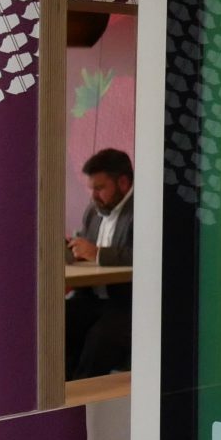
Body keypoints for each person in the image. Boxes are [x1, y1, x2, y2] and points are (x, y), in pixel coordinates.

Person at [65, 148, 135, 379]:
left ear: (123, 182)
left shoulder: (144, 210)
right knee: (57, 321)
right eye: (91, 189)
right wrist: (71, 250)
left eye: (100, 188)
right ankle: (58, 391)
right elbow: (86, 248)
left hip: (127, 303)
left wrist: (98, 254)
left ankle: (81, 398)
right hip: (91, 298)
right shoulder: (93, 212)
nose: (94, 196)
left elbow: (147, 254)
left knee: (100, 339)